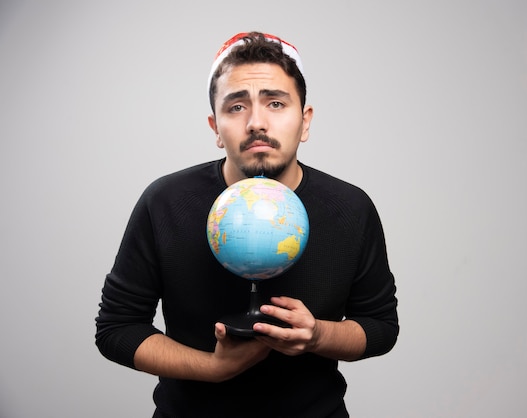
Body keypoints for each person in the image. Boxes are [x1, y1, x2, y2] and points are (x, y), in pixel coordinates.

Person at [95, 31, 399, 418]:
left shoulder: (350, 207)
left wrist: (318, 335)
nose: (257, 122)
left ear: (305, 121)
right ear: (215, 127)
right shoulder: (165, 202)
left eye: (275, 103)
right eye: (236, 107)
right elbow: (116, 329)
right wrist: (213, 369)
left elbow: (381, 327)